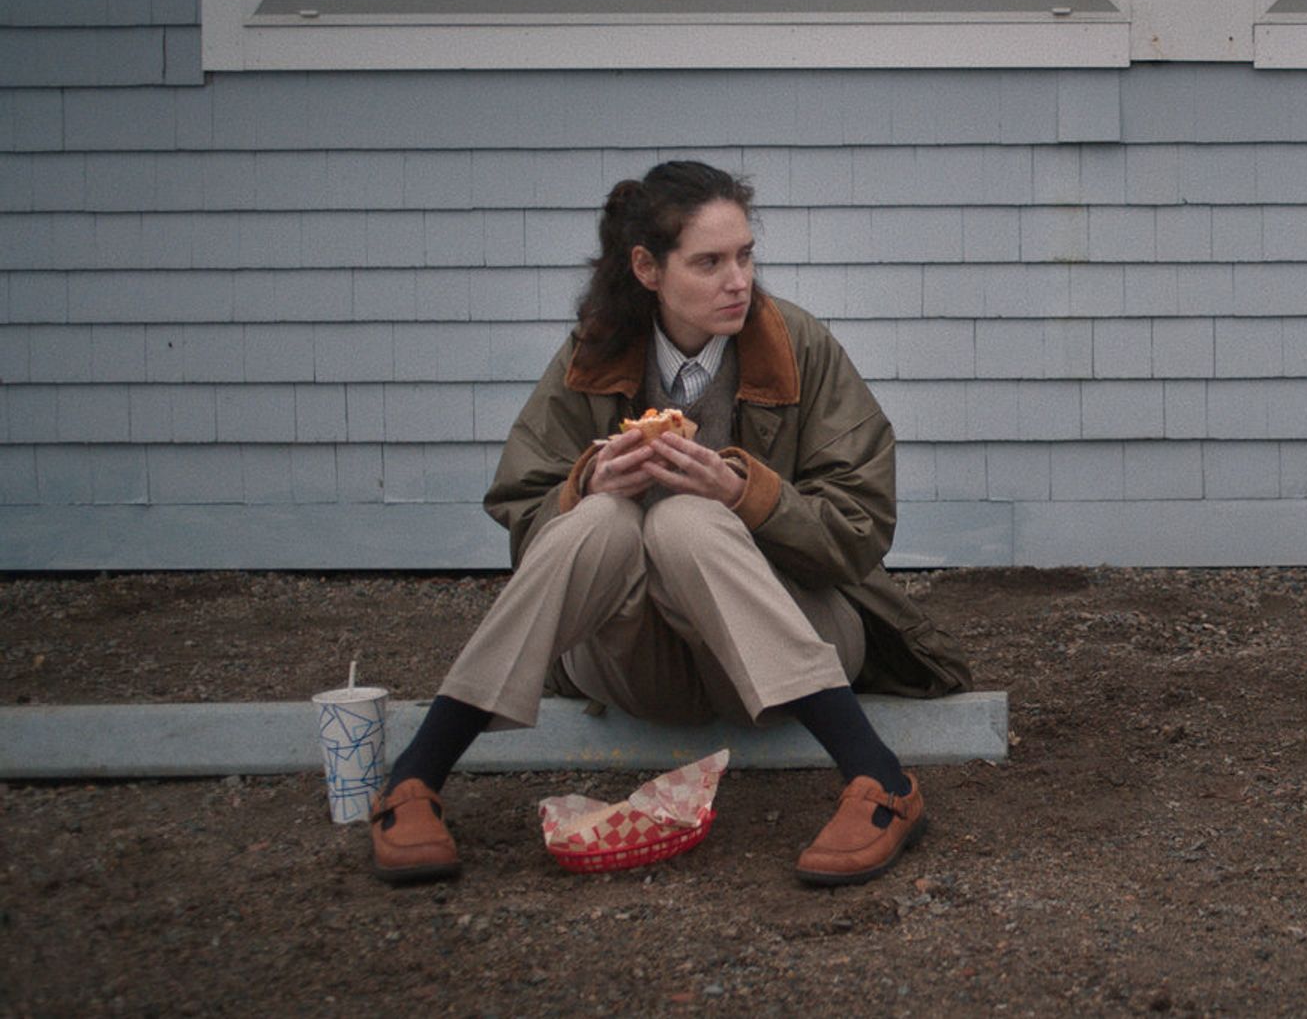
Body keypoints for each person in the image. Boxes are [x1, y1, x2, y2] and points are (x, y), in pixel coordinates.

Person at [366, 161, 970, 888]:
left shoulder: (798, 346)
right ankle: (416, 778)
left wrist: (746, 495)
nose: (738, 281)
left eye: (745, 255)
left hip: (792, 642)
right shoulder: (594, 353)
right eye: (709, 262)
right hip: (639, 662)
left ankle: (879, 780)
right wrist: (585, 485)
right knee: (599, 518)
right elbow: (525, 514)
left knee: (686, 518)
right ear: (648, 269)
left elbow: (861, 529)